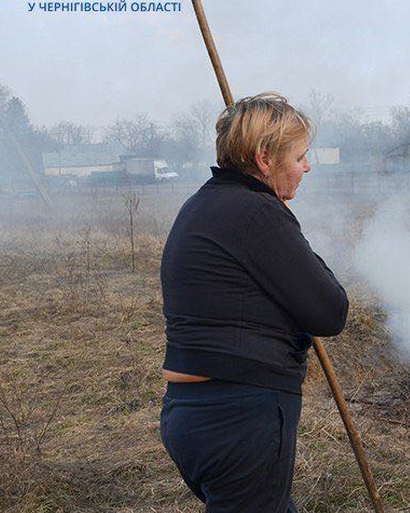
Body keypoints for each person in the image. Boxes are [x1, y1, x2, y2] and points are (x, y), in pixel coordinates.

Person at [159, 93, 349, 513]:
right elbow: (330, 310)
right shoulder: (257, 214)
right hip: (239, 419)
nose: (306, 166)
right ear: (265, 157)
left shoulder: (203, 204)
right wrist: (288, 230)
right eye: (299, 156)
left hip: (191, 413)